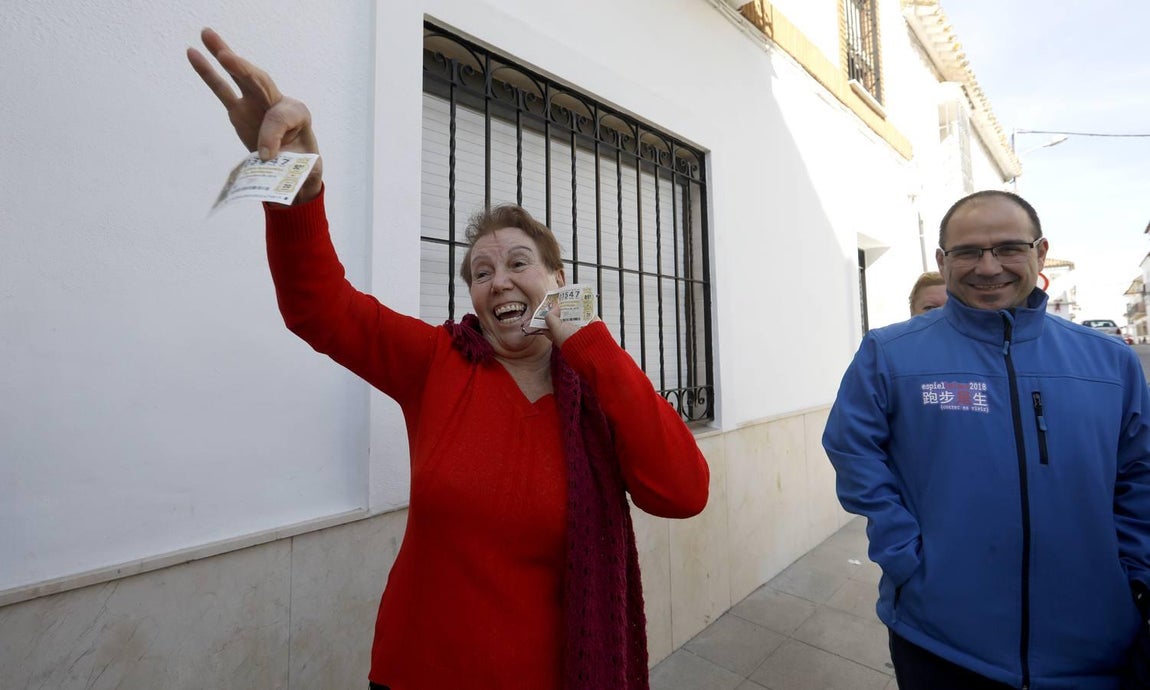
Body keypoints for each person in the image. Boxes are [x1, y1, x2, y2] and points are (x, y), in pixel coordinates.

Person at [187, 28, 709, 690]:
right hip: (414, 672)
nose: (499, 282)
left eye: (520, 264)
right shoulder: (437, 360)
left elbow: (683, 491)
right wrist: (297, 188)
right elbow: (319, 309)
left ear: (559, 279)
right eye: (481, 271)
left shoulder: (600, 385)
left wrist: (586, 336)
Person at [823, 189, 1150, 690]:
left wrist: (1134, 575)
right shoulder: (890, 354)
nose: (988, 266)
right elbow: (853, 452)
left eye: (1008, 248)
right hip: (941, 639)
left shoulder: (1110, 362)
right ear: (942, 260)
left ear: (1040, 253)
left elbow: (1139, 475)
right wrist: (904, 555)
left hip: (1093, 645)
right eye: (968, 251)